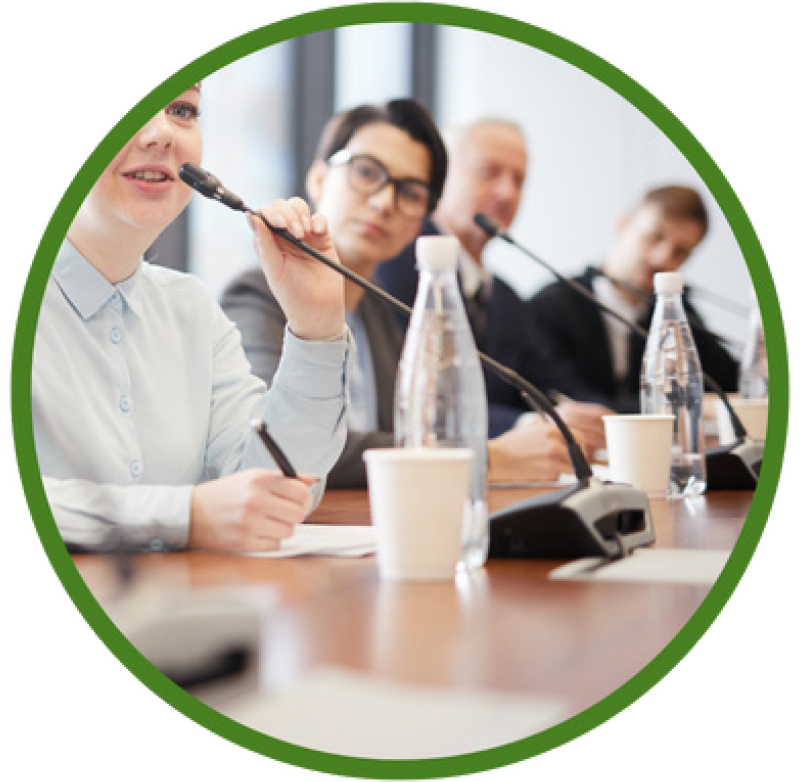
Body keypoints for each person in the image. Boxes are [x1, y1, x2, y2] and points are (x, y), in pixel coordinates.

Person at [32, 85, 352, 554]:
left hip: (183, 613)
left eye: (182, 110)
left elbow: (276, 489)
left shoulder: (191, 309)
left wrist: (317, 328)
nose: (161, 133)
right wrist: (186, 516)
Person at [221, 100, 580, 489]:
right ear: (320, 178)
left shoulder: (382, 308)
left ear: (420, 222)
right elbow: (279, 445)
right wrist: (485, 458)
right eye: (367, 172)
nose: (384, 202)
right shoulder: (257, 295)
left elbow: (414, 428)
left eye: (409, 191)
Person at [375, 117, 611, 452]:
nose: (507, 192)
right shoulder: (393, 269)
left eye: (519, 180)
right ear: (439, 181)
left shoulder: (505, 296)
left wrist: (602, 419)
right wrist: (527, 424)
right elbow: (416, 400)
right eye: (488, 172)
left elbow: (554, 384)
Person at [526, 186, 740, 412]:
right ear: (623, 225)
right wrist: (681, 404)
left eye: (680, 252)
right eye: (654, 237)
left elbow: (730, 380)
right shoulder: (551, 306)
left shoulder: (675, 311)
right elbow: (573, 402)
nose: (662, 258)